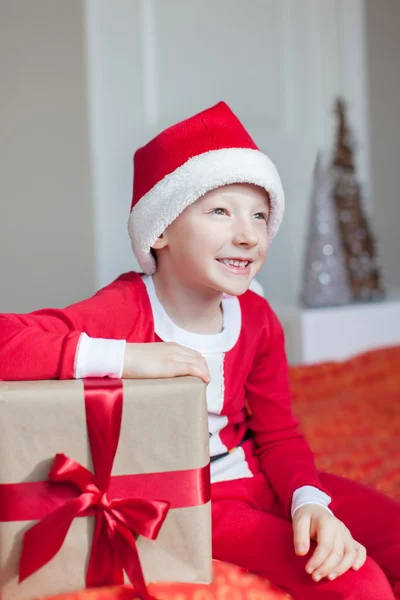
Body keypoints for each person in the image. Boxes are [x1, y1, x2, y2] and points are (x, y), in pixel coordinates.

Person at [0, 102, 399, 599]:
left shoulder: (257, 318)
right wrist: (125, 359)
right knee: (359, 583)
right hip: (196, 500)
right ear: (161, 229)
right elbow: (6, 342)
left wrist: (307, 500)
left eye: (259, 214)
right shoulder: (125, 308)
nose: (249, 234)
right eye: (220, 211)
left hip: (260, 478)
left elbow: (278, 434)